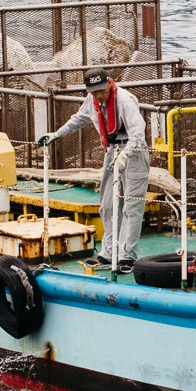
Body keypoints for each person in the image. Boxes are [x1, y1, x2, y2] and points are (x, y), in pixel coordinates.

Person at [37, 67, 148, 272]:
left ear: (108, 85)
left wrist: (126, 155)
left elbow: (138, 133)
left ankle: (127, 256)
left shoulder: (124, 100)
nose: (99, 95)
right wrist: (57, 134)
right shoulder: (93, 101)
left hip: (133, 152)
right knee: (107, 204)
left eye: (102, 90)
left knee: (131, 207)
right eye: (94, 92)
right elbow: (79, 118)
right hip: (112, 151)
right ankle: (108, 252)